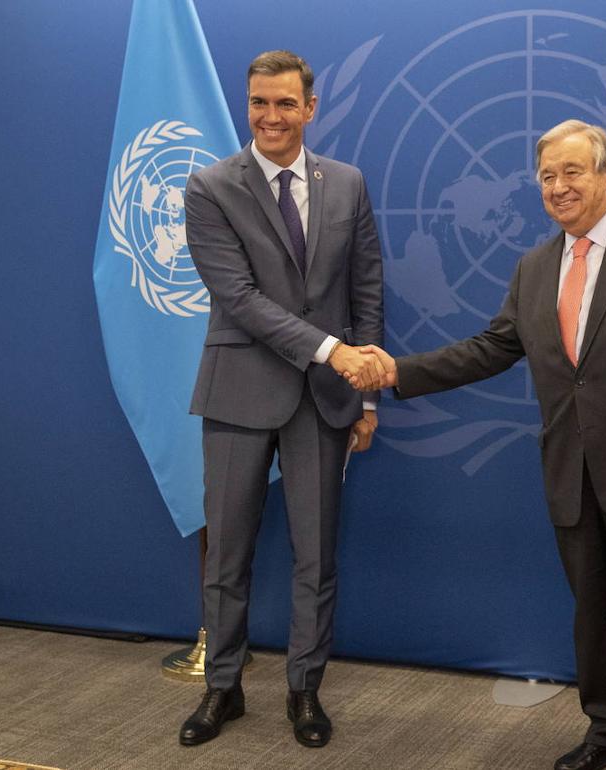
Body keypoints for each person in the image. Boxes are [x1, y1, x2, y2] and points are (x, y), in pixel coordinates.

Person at [358, 120, 606, 770]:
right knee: (595, 617)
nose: (559, 187)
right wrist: (397, 371)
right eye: (548, 176)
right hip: (570, 472)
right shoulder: (534, 268)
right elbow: (493, 347)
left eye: (573, 171)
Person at [177, 50, 386, 749]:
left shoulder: (348, 184)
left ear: (311, 108)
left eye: (284, 104)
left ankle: (304, 691)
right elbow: (237, 299)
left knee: (315, 557)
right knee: (227, 554)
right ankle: (223, 688)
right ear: (248, 106)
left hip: (326, 401)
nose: (270, 117)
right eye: (259, 103)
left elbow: (367, 289)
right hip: (239, 391)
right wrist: (331, 350)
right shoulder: (209, 187)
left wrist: (368, 392)